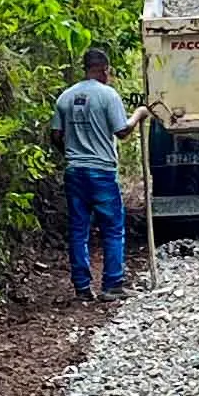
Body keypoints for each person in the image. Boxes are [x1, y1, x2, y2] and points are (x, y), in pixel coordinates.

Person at [54, 46, 140, 299]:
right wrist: (138, 115)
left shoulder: (65, 98)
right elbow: (122, 132)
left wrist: (71, 153)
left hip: (74, 172)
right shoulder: (108, 95)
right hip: (101, 171)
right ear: (104, 70)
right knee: (112, 228)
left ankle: (82, 287)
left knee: (78, 229)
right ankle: (112, 284)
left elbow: (56, 135)